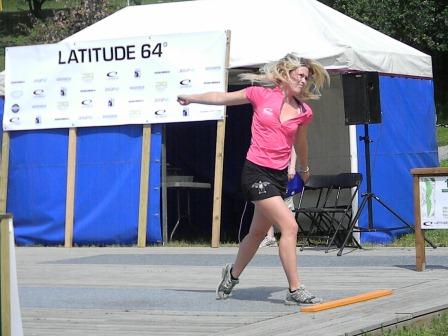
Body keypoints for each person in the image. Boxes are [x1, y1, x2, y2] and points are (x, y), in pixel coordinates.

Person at [177, 53, 329, 305]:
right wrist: (191, 97)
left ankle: (232, 274)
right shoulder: (260, 95)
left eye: (307, 77)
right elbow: (221, 98)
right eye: (300, 75)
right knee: (290, 227)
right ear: (285, 74)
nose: (304, 81)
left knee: (257, 233)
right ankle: (295, 289)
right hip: (255, 172)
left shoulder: (304, 111)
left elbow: (300, 142)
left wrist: (304, 166)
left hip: (278, 176)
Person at [259, 149, 297, 248]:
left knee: (287, 205)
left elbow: (293, 148)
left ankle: (289, 236)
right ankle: (270, 237)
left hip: (283, 172)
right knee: (268, 205)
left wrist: (292, 167)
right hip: (267, 171)